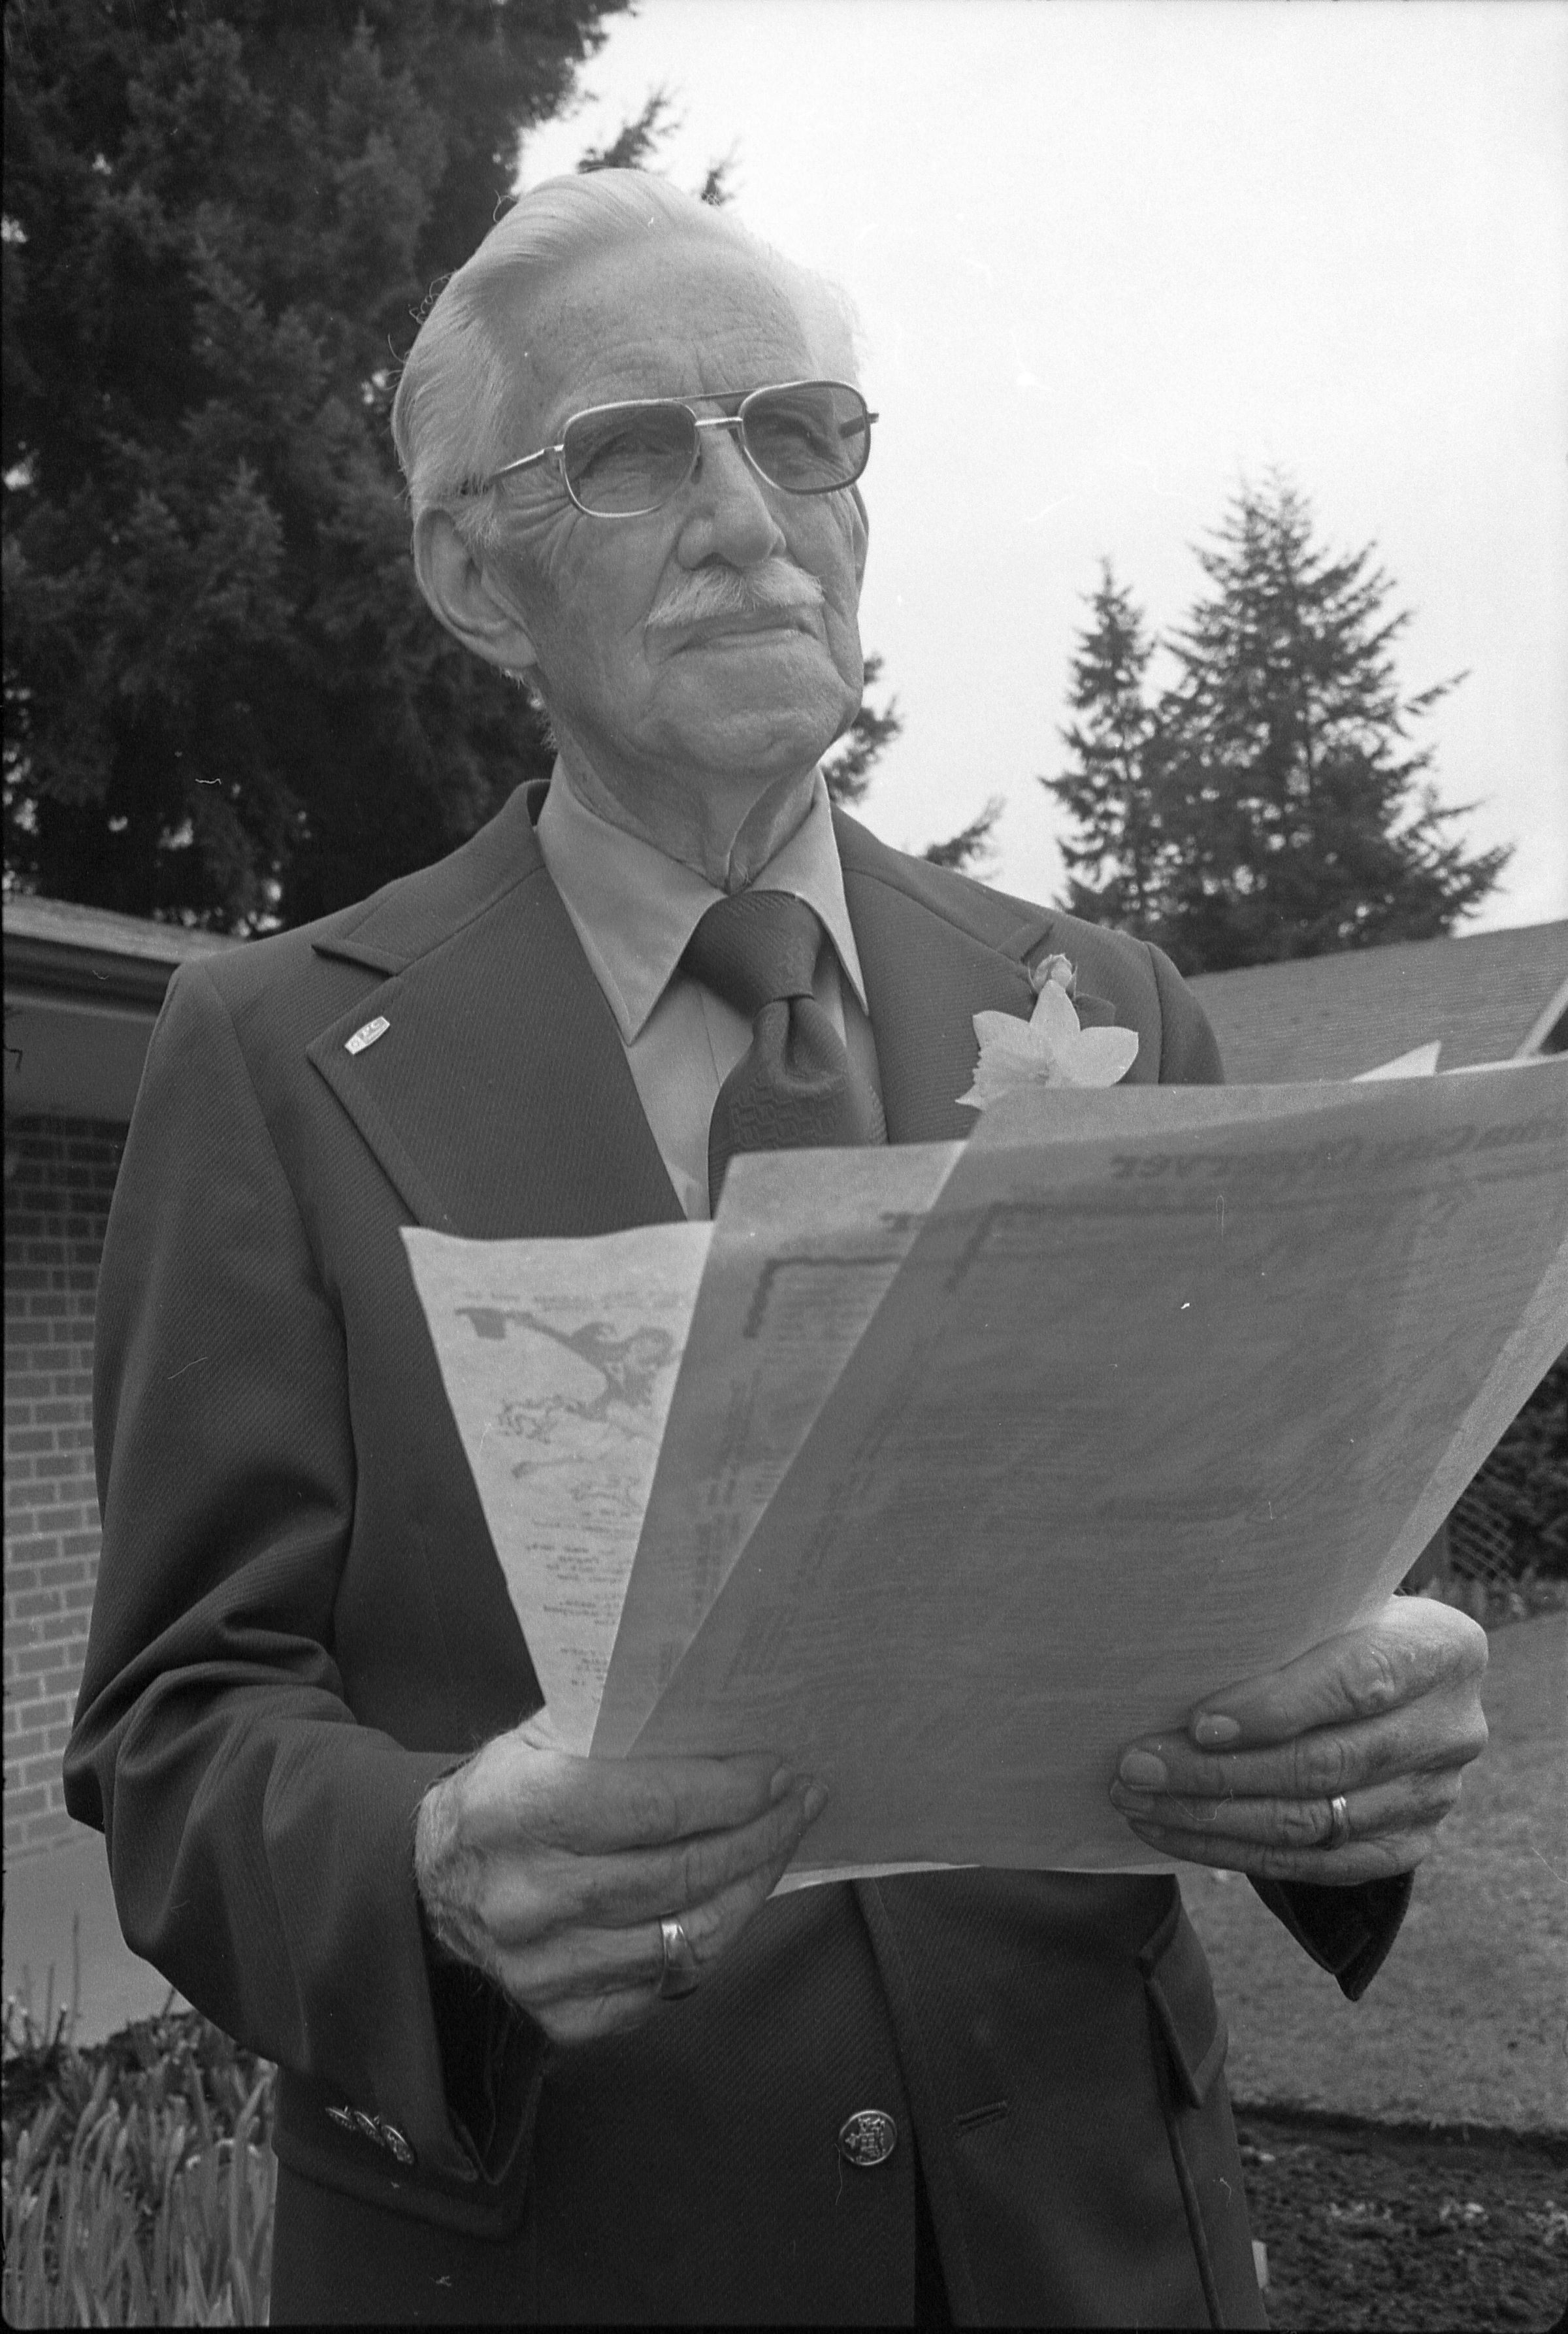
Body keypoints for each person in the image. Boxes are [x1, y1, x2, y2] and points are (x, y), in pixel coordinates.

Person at [65, 171, 1488, 2326]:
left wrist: (1358, 1732)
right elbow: (179, 1725)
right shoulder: (271, 1054)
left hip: (1096, 2249)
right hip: (562, 2259)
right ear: (473, 575)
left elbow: (1268, 1579)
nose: (750, 516)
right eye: (634, 452)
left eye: (802, 433)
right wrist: (422, 1862)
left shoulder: (1111, 999)